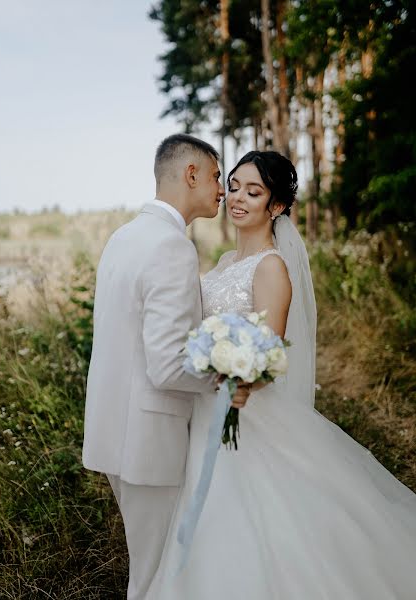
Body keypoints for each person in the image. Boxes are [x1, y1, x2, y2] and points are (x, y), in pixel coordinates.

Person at [147, 150, 416, 599]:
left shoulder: (272, 267)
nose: (237, 197)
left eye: (253, 191)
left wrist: (240, 380)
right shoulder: (222, 263)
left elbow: (269, 353)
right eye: (234, 185)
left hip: (245, 412)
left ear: (276, 206)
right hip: (204, 408)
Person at [81, 133, 251, 600]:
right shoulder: (172, 247)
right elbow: (167, 364)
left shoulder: (125, 236)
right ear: (191, 174)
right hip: (147, 439)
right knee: (156, 576)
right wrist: (225, 380)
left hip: (114, 428)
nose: (222, 189)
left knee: (152, 566)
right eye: (217, 176)